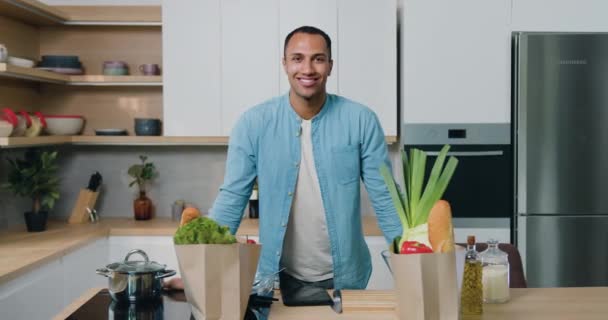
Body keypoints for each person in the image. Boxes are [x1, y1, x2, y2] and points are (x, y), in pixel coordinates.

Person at [165, 26, 402, 291]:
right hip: (276, 280)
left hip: (346, 279)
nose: (308, 69)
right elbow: (232, 199)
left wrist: (414, 264)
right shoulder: (253, 123)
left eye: (318, 58)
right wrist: (198, 270)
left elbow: (386, 199)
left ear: (330, 65)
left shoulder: (361, 120)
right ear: (285, 64)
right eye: (298, 58)